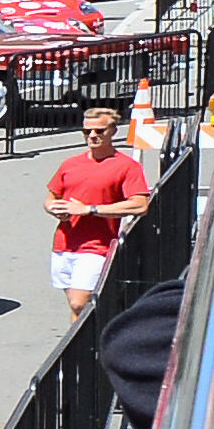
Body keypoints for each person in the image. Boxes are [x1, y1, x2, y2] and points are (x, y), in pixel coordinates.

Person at [47, 103, 152, 315]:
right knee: (79, 309)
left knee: (79, 303)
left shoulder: (127, 166)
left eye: (99, 131)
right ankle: (88, 338)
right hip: (64, 244)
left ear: (113, 131)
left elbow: (140, 204)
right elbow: (51, 197)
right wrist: (53, 208)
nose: (92, 136)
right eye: (87, 131)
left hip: (97, 246)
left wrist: (90, 209)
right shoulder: (70, 164)